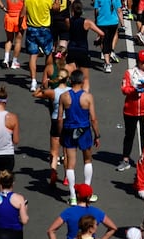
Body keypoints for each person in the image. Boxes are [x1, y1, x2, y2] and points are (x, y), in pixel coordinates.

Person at [59, 69, 101, 203]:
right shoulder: (88, 97)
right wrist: (97, 135)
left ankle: (72, 196)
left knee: (70, 163)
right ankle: (86, 192)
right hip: (84, 131)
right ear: (82, 81)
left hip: (69, 130)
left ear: (71, 81)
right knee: (87, 160)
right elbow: (93, 118)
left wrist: (61, 134)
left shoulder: (64, 96)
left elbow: (60, 118)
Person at [48, 184, 118, 239]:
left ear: (77, 195)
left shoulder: (68, 212)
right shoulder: (97, 212)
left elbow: (51, 230)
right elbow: (113, 228)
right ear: (90, 197)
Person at [0, 169, 30, 239]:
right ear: (13, 182)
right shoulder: (19, 198)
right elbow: (24, 220)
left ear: (0, 182)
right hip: (15, 233)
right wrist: (25, 207)